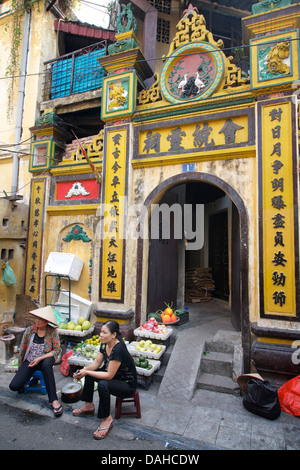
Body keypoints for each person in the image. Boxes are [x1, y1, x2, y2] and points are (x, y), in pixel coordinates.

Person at [72, 320, 137, 439]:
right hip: (115, 378)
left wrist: (87, 371)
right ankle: (89, 405)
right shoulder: (104, 344)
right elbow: (97, 363)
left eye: (104, 332)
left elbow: (109, 376)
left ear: (114, 335)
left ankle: (107, 418)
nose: (100, 335)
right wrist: (84, 371)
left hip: (127, 384)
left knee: (103, 384)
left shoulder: (118, 349)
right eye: (101, 331)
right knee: (91, 374)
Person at [9, 305, 63, 417]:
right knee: (14, 386)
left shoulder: (52, 332)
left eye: (40, 319)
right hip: (30, 360)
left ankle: (54, 400)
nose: (37, 321)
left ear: (46, 321)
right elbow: (23, 350)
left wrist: (40, 358)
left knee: (47, 365)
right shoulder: (29, 331)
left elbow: (57, 350)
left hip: (45, 359)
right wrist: (21, 368)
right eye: (37, 318)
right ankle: (32, 380)